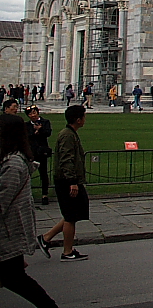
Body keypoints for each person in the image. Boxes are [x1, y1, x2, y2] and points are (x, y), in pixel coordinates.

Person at [0, 114, 59, 307]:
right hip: (8, 237)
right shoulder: (10, 160)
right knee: (16, 279)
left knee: (18, 281)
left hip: (7, 234)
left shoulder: (14, 164)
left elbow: (2, 202)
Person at [38, 105, 89, 261]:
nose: (85, 119)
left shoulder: (70, 133)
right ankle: (67, 251)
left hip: (71, 179)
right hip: (68, 181)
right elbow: (67, 160)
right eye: (84, 117)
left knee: (75, 212)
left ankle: (46, 238)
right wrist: (72, 182)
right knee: (70, 216)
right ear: (78, 119)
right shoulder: (67, 135)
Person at [25, 106, 52, 205]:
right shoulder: (27, 125)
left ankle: (45, 194)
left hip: (42, 152)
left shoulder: (45, 122)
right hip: (32, 152)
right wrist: (36, 131)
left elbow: (48, 133)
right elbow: (27, 136)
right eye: (31, 114)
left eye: (34, 112)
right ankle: (27, 194)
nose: (33, 115)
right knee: (28, 174)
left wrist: (39, 130)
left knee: (43, 174)